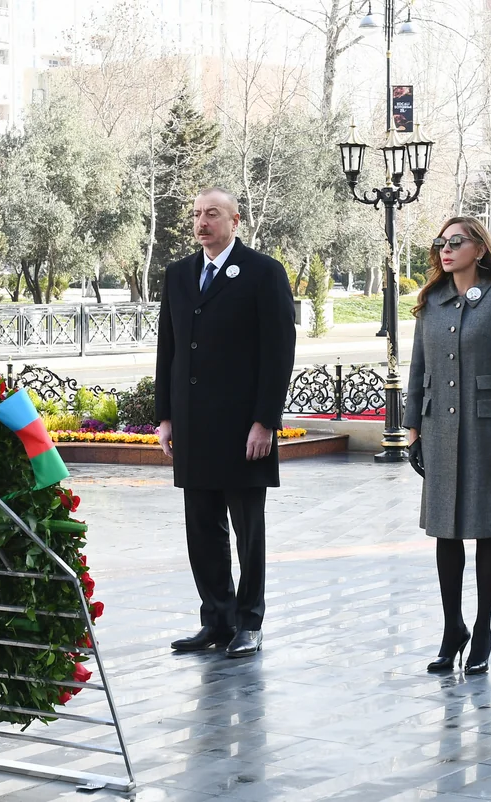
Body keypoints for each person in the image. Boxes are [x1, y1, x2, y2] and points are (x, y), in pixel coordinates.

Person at [154, 188, 296, 658]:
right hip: (193, 425)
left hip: (242, 428)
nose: (202, 223)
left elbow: (278, 352)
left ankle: (249, 622)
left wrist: (265, 421)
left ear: (235, 220)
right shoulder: (178, 274)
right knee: (202, 529)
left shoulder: (263, 272)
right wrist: (165, 416)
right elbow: (168, 350)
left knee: (247, 531)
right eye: (197, 214)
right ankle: (216, 619)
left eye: (212, 214)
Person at [404, 216, 491, 676]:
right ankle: (451, 629)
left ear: (479, 248)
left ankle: (483, 630)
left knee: (487, 529)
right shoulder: (431, 302)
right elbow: (418, 369)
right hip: (438, 428)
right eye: (441, 241)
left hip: (486, 431)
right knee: (446, 531)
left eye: (456, 242)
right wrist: (412, 431)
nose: (446, 249)